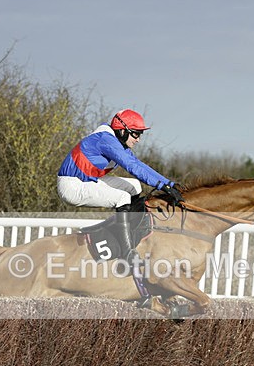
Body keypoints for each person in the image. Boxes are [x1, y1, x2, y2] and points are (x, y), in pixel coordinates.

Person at [57, 109, 184, 265]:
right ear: (122, 131)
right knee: (122, 197)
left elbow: (138, 164)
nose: (138, 139)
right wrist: (163, 186)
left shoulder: (116, 141)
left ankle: (132, 231)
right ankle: (127, 253)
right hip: (71, 187)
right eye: (136, 134)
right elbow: (132, 167)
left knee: (134, 186)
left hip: (87, 181)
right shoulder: (106, 140)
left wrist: (168, 184)